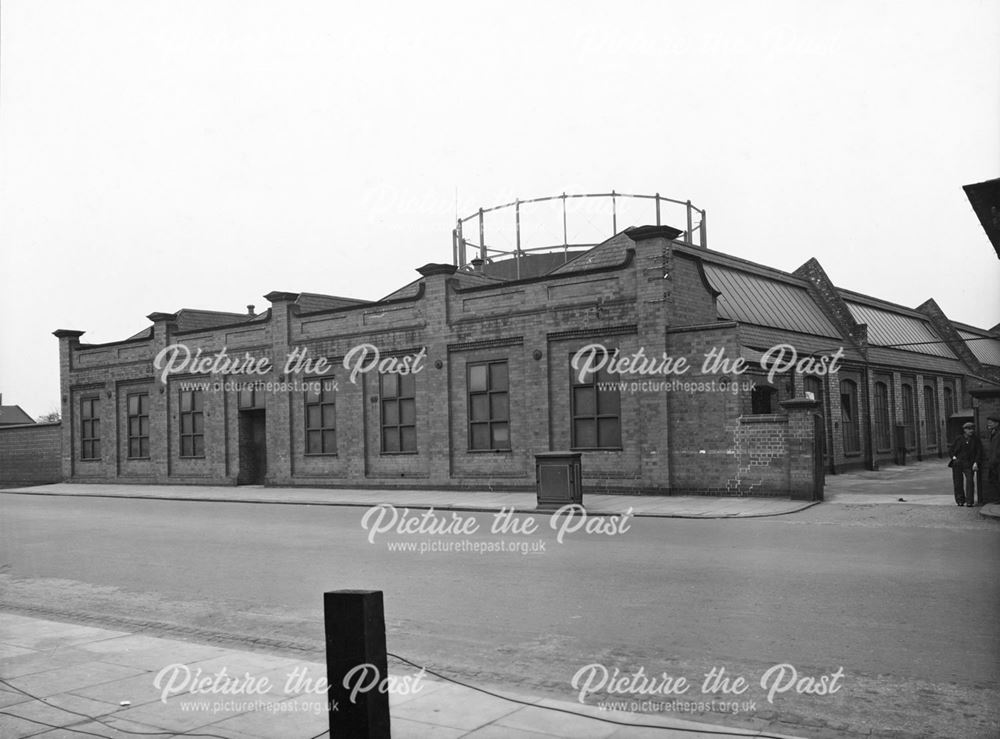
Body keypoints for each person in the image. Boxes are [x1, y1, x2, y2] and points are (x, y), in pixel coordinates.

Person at [949, 422, 982, 507]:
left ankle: (969, 501)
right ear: (964, 430)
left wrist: (976, 462)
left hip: (969, 464)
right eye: (969, 429)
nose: (971, 430)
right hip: (958, 463)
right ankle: (960, 500)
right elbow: (951, 450)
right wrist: (954, 458)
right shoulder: (958, 439)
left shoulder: (975, 440)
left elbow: (979, 452)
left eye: (972, 429)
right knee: (958, 482)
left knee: (970, 481)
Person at [983, 415, 1000, 504]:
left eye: (990, 422)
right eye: (988, 422)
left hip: (997, 461)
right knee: (993, 479)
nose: (988, 423)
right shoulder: (993, 432)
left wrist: (996, 457)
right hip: (993, 462)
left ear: (997, 423)